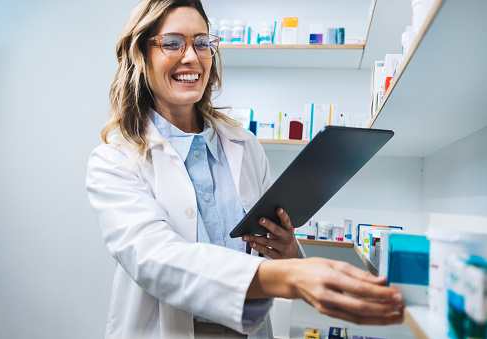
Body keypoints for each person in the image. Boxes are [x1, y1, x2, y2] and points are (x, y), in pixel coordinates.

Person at [86, 0, 404, 338]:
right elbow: (155, 259)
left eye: (202, 42)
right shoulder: (114, 160)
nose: (191, 57)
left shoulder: (244, 144)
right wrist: (293, 277)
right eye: (173, 43)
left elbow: (272, 251)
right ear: (141, 54)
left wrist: (289, 254)